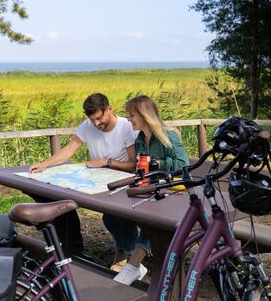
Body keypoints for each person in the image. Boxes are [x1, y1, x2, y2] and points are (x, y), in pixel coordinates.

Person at [29, 93, 137, 256]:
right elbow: (68, 150)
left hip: (122, 183)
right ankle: (121, 250)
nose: (96, 123)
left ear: (109, 108)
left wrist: (106, 162)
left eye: (99, 118)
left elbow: (133, 165)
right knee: (105, 217)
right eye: (92, 120)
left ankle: (130, 254)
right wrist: (44, 164)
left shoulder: (126, 127)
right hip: (99, 183)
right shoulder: (87, 126)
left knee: (114, 217)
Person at [108, 94, 189, 285]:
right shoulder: (139, 139)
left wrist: (156, 163)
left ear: (144, 115)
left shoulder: (167, 136)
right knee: (112, 215)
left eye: (131, 115)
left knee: (152, 221)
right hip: (152, 191)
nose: (129, 120)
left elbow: (183, 165)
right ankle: (129, 255)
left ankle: (133, 266)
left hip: (175, 193)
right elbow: (140, 168)